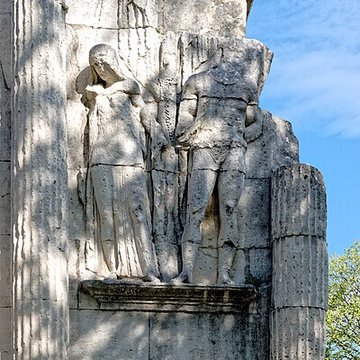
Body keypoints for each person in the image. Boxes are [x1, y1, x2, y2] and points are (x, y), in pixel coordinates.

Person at [171, 49, 261, 285]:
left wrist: (241, 136)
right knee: (196, 209)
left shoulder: (246, 88)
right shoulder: (197, 82)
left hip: (233, 150)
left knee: (229, 209)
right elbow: (184, 120)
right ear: (218, 56)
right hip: (204, 148)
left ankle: (224, 272)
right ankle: (187, 270)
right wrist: (190, 134)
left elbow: (256, 124)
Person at [82, 44, 167, 282]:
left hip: (129, 157)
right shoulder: (94, 92)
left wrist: (158, 135)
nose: (100, 68)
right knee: (107, 215)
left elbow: (144, 112)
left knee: (138, 212)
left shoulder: (128, 88)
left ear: (113, 62)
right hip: (102, 158)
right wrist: (98, 93)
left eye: (103, 62)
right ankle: (111, 268)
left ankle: (149, 269)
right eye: (95, 65)